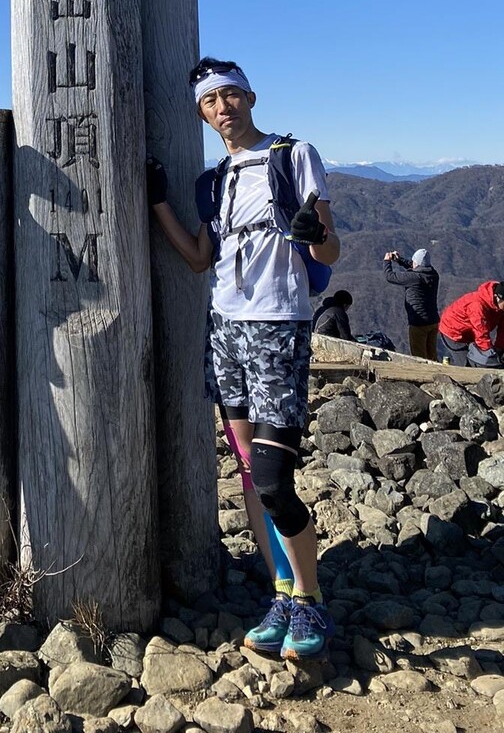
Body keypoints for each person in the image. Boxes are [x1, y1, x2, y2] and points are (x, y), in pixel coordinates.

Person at [146, 57, 340, 662]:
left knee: (275, 479)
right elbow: (201, 259)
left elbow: (329, 247)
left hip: (279, 325)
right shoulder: (214, 180)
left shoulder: (294, 156)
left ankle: (310, 601)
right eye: (210, 101)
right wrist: (158, 206)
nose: (222, 107)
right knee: (251, 476)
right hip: (224, 327)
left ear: (251, 99)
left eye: (231, 95)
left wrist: (311, 232)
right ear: (202, 112)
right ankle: (282, 592)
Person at [384, 249, 440, 360]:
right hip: (433, 321)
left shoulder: (414, 278)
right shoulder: (434, 274)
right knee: (432, 355)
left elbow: (390, 276)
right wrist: (400, 260)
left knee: (419, 357)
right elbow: (416, 266)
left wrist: (387, 261)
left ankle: (424, 376)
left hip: (419, 323)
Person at [438, 280, 504, 366]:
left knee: (480, 359)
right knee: (464, 364)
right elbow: (481, 333)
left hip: (470, 333)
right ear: (497, 297)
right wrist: (491, 355)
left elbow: (503, 330)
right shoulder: (477, 305)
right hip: (453, 332)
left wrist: (499, 349)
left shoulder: (500, 309)